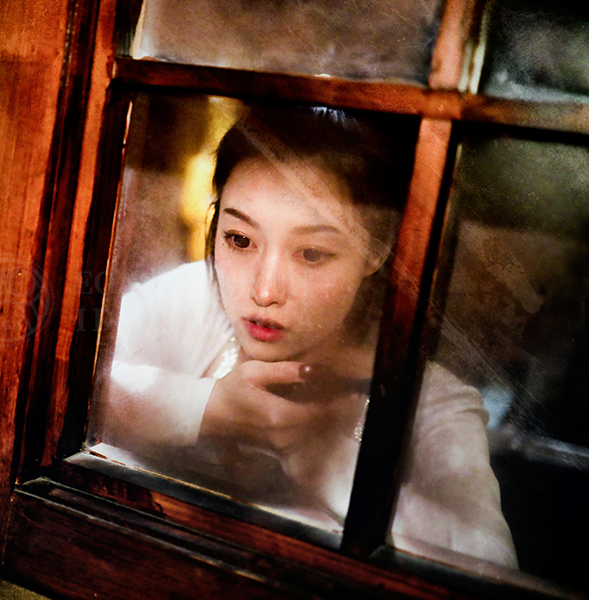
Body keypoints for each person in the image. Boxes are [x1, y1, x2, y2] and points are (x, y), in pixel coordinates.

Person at [95, 104, 518, 569]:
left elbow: (492, 566)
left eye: (312, 253)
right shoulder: (194, 297)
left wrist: (322, 458)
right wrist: (211, 407)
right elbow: (68, 379)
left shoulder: (430, 403)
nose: (264, 291)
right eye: (240, 239)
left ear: (377, 250)